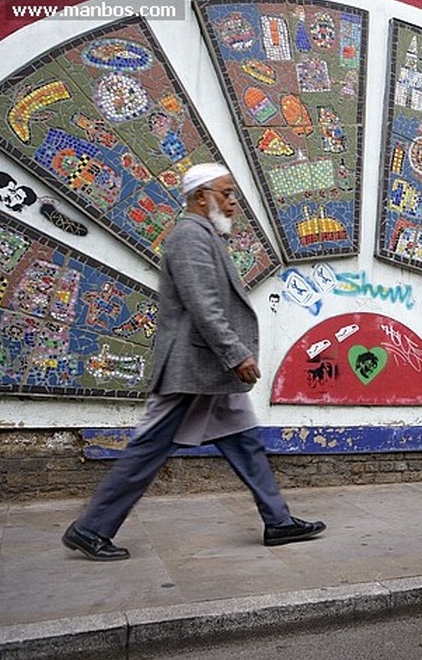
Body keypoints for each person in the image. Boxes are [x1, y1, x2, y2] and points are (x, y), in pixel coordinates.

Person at [62, 163, 325, 561]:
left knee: (246, 442)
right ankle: (91, 528)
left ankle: (278, 520)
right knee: (148, 449)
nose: (233, 202)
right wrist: (235, 354)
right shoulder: (189, 236)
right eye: (225, 193)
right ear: (201, 197)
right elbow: (204, 306)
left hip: (208, 372)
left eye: (233, 194)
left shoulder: (206, 235)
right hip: (191, 368)